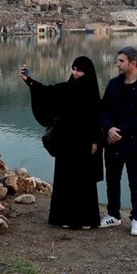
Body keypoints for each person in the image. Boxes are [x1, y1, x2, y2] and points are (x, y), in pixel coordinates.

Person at [20, 56, 102, 229]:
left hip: (84, 142)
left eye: (79, 70)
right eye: (73, 69)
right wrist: (29, 81)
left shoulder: (91, 92)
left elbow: (95, 118)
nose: (75, 73)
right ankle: (63, 218)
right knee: (65, 178)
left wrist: (95, 141)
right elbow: (47, 92)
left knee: (83, 181)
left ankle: (86, 219)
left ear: (87, 72)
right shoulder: (67, 88)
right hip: (66, 141)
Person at [99, 46, 137, 235]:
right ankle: (113, 215)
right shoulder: (113, 84)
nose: (118, 64)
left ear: (134, 63)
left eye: (121, 61)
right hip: (112, 140)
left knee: (136, 182)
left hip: (134, 143)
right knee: (112, 180)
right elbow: (103, 109)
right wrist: (108, 128)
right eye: (118, 61)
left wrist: (120, 130)